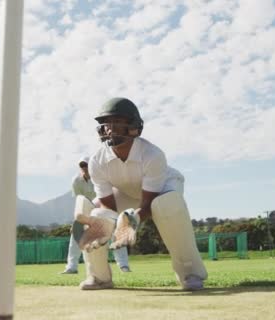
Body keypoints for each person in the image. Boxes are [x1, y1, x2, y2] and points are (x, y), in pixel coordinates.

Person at [72, 97, 207, 290]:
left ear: (133, 126)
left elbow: (148, 205)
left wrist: (131, 222)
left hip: (163, 188)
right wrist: (105, 224)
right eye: (106, 123)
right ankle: (99, 276)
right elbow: (108, 207)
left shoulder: (153, 155)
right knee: (95, 215)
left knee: (166, 205)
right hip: (126, 191)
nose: (110, 128)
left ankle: (190, 273)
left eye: (117, 122)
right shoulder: (96, 161)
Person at [60, 157, 131, 274]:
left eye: (86, 165)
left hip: (105, 208)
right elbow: (80, 200)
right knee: (76, 233)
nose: (84, 168)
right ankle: (71, 267)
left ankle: (124, 266)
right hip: (88, 210)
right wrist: (76, 221)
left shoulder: (101, 177)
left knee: (116, 233)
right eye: (82, 166)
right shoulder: (76, 181)